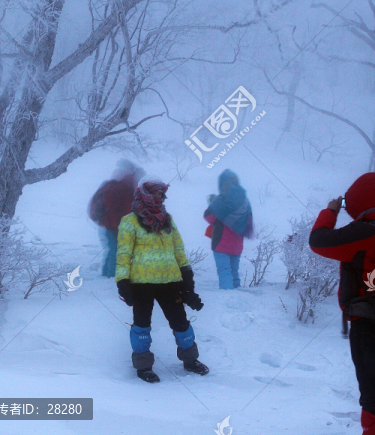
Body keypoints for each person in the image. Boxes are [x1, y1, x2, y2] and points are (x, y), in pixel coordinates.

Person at [308, 173, 375, 435]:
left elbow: (318, 241)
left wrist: (331, 211)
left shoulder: (365, 232)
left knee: (372, 398)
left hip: (368, 325)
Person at [115, 180, 208, 382]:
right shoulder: (129, 221)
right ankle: (143, 366)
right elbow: (123, 254)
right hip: (141, 283)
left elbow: (178, 251)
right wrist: (122, 281)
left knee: (181, 323)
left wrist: (188, 281)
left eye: (162, 194)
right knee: (142, 325)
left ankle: (190, 360)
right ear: (145, 195)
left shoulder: (167, 219)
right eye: (157, 194)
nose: (161, 197)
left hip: (170, 282)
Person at [88, 159, 145, 277]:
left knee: (112, 251)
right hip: (115, 226)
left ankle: (106, 274)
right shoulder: (126, 188)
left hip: (110, 224)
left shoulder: (121, 185)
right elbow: (124, 209)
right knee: (116, 252)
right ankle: (112, 276)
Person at [204, 169, 254, 290]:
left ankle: (227, 296)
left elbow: (208, 216)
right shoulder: (245, 201)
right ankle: (236, 291)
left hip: (221, 243)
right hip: (237, 244)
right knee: (234, 271)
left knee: (224, 271)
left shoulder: (221, 200)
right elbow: (249, 220)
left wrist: (214, 206)